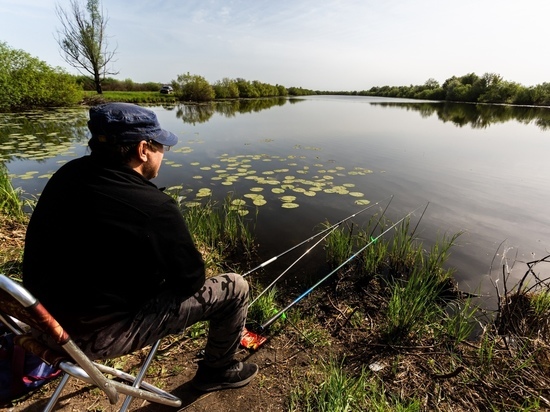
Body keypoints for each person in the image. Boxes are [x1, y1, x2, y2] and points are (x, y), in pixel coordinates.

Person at [22, 102, 258, 392]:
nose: (163, 154)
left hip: (39, 322)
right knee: (235, 287)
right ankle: (217, 370)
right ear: (143, 149)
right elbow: (191, 280)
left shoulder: (67, 175)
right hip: (92, 337)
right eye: (161, 146)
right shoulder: (154, 208)